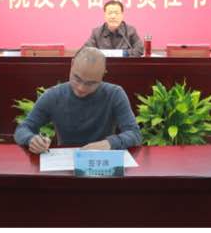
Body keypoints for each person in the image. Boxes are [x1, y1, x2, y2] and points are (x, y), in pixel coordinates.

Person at [14, 47, 142, 153]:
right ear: (72, 64)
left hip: (102, 161)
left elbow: (135, 134)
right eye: (77, 78)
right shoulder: (53, 95)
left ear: (103, 74)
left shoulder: (114, 94)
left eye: (91, 83)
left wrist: (110, 143)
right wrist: (31, 139)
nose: (81, 88)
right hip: (66, 160)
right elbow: (22, 129)